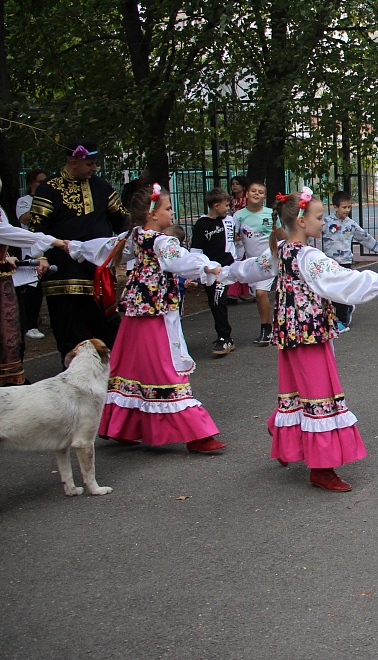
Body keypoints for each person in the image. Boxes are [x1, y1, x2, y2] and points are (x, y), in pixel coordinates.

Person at [218, 187, 378, 492]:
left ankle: (285, 434)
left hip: (291, 334)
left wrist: (223, 272)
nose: (324, 222)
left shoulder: (282, 252)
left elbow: (252, 268)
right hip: (308, 336)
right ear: (302, 222)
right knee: (320, 395)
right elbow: (344, 281)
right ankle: (321, 468)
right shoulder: (308, 257)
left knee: (297, 389)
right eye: (319, 217)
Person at [70, 184, 227, 453]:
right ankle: (196, 434)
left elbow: (105, 248)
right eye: (167, 208)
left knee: (131, 367)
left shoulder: (134, 236)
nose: (172, 212)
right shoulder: (161, 241)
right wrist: (207, 267)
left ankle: (122, 427)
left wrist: (75, 246)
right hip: (154, 312)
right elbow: (179, 260)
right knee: (163, 367)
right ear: (153, 214)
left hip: (136, 310)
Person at [27, 140, 128, 358]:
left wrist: (124, 246)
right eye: (89, 164)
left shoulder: (101, 187)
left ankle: (112, 367)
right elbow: (37, 227)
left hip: (96, 269)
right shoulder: (49, 189)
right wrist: (41, 256)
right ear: (73, 162)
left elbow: (122, 219)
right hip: (62, 269)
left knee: (103, 319)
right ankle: (72, 368)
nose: (94, 168)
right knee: (67, 319)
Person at [0, 207, 63, 384]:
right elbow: (5, 232)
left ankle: (9, 383)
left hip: (3, 283)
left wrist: (6, 256)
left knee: (10, 338)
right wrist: (52, 241)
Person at [322, 190, 378, 332]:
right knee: (330, 291)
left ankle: (343, 321)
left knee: (342, 291)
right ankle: (338, 313)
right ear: (335, 207)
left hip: (344, 261)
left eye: (349, 207)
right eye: (344, 207)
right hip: (329, 262)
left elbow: (364, 237)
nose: (347, 210)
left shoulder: (350, 224)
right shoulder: (326, 222)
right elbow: (312, 232)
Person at [190, 188, 238, 355]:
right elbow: (195, 251)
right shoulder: (202, 225)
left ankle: (225, 337)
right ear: (216, 205)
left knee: (218, 300)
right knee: (214, 302)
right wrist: (203, 268)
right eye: (226, 205)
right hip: (210, 270)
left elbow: (231, 243)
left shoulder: (229, 220)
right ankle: (225, 336)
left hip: (225, 269)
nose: (228, 209)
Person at [233, 178, 275, 345]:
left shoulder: (271, 214)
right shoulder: (238, 216)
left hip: (270, 259)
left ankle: (266, 329)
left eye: (261, 192)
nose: (257, 193)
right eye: (253, 191)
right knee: (257, 294)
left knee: (261, 293)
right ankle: (271, 324)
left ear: (264, 197)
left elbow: (280, 233)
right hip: (252, 262)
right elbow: (233, 237)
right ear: (247, 194)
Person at [14, 168, 47, 341]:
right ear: (31, 183)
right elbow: (25, 218)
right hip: (30, 251)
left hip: (47, 249)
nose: (42, 185)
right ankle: (30, 325)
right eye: (39, 182)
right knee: (33, 290)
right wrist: (40, 202)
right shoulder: (24, 201)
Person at [224, 176, 250, 304]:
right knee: (236, 259)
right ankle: (233, 292)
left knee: (245, 259)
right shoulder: (231, 201)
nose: (235, 186)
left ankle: (244, 291)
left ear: (243, 186)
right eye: (233, 184)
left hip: (246, 231)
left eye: (237, 184)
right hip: (234, 232)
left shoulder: (248, 200)